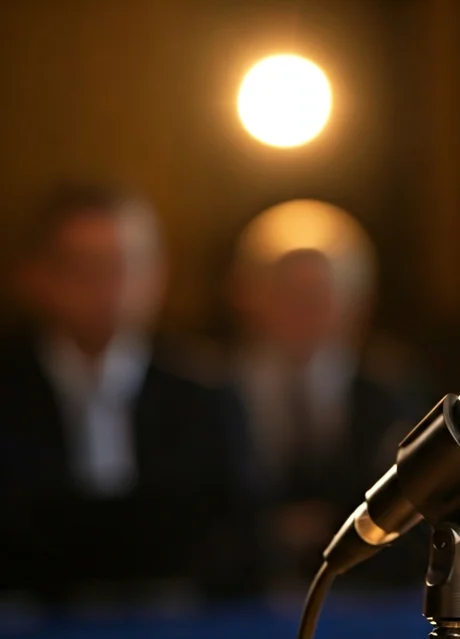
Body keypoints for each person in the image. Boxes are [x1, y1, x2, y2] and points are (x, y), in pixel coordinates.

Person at [0, 183, 254, 604]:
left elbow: (242, 540)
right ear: (37, 276)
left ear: (158, 275)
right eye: (86, 268)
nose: (109, 287)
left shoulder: (205, 395)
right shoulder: (9, 393)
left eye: (126, 266)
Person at [228, 202, 424, 588]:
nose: (303, 309)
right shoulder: (217, 390)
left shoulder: (390, 395)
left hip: (363, 591)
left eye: (318, 293)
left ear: (354, 302)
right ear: (248, 296)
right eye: (287, 292)